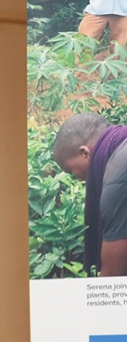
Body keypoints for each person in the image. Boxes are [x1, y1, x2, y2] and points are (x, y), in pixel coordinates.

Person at [53, 112, 127, 276]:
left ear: (84, 153)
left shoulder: (118, 179)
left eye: (71, 171)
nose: (78, 180)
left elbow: (112, 278)